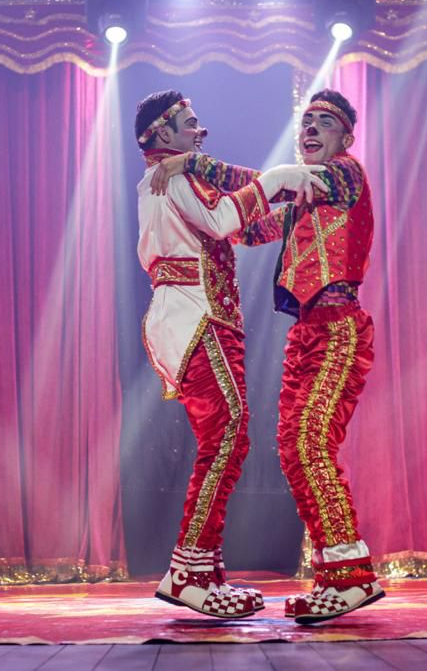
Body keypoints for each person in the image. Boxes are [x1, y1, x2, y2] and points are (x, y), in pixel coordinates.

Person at [152, 89, 385, 624]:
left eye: (323, 123)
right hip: (306, 333)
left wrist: (195, 162)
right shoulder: (303, 201)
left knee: (308, 445)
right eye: (305, 121)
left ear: (345, 139)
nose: (310, 129)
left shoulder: (346, 175)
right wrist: (198, 218)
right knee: (294, 451)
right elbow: (248, 226)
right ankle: (338, 576)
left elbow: (270, 182)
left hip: (338, 328)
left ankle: (351, 577)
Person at [134, 90, 327, 618]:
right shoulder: (169, 177)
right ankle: (189, 570)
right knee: (226, 434)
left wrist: (291, 208)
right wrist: (283, 177)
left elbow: (243, 227)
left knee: (229, 438)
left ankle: (203, 570)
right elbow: (223, 221)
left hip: (206, 315)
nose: (201, 130)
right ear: (160, 133)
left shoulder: (182, 175)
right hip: (193, 314)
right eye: (191, 123)